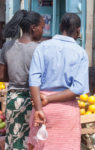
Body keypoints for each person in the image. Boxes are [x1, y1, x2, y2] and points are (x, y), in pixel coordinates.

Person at [28, 13, 89, 150]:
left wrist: (38, 108)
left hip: (42, 107)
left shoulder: (42, 47)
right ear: (78, 30)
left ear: (60, 26)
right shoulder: (80, 53)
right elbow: (78, 89)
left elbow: (33, 79)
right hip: (66, 111)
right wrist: (48, 99)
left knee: (39, 145)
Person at [0, 10, 44, 149]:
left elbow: (1, 76)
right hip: (33, 100)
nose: (43, 31)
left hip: (12, 99)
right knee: (32, 140)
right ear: (34, 28)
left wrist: (15, 75)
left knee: (13, 138)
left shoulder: (7, 46)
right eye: (42, 27)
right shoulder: (39, 49)